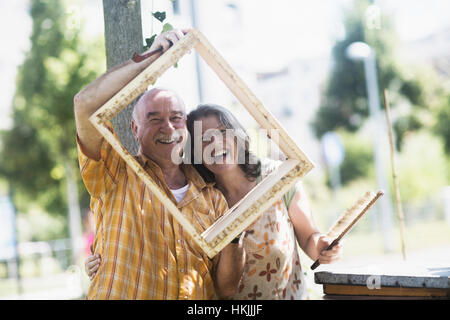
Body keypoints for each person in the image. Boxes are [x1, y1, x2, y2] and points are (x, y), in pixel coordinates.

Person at [86, 103, 344, 300]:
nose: (216, 143)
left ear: (239, 136)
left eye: (222, 132)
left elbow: (310, 238)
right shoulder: (199, 197)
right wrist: (103, 259)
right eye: (203, 139)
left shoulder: (277, 178)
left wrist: (323, 246)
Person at [75, 29, 245, 300]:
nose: (168, 127)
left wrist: (237, 232)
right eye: (154, 119)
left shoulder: (213, 200)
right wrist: (149, 61)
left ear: (187, 128)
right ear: (134, 128)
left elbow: (225, 289)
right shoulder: (116, 172)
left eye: (176, 118)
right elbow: (84, 105)